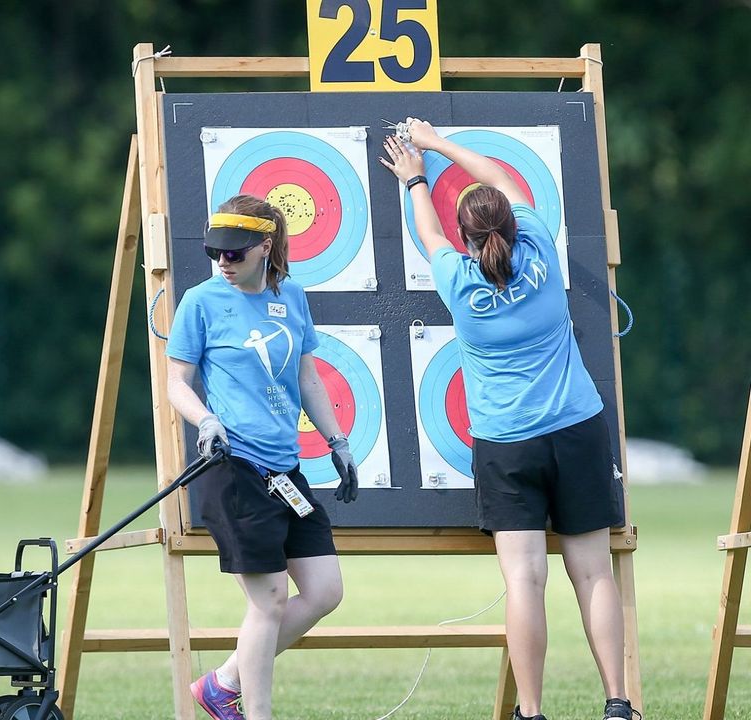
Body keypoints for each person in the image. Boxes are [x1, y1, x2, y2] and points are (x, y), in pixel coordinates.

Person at [379, 119, 637, 720]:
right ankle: (619, 704)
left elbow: (429, 232)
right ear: (514, 227)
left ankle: (531, 712)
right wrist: (439, 142)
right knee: (595, 574)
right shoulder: (541, 248)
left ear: (468, 239)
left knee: (525, 582)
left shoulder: (459, 282)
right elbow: (501, 178)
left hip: (507, 448)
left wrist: (415, 176)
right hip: (577, 431)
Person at [166, 194, 360, 720]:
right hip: (232, 469)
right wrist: (206, 420)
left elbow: (306, 376)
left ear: (265, 246)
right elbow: (176, 383)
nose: (223, 263)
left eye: (234, 254)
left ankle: (222, 682)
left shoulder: (292, 297)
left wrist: (338, 441)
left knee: (324, 591)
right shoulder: (200, 301)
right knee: (270, 599)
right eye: (216, 253)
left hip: (285, 471)